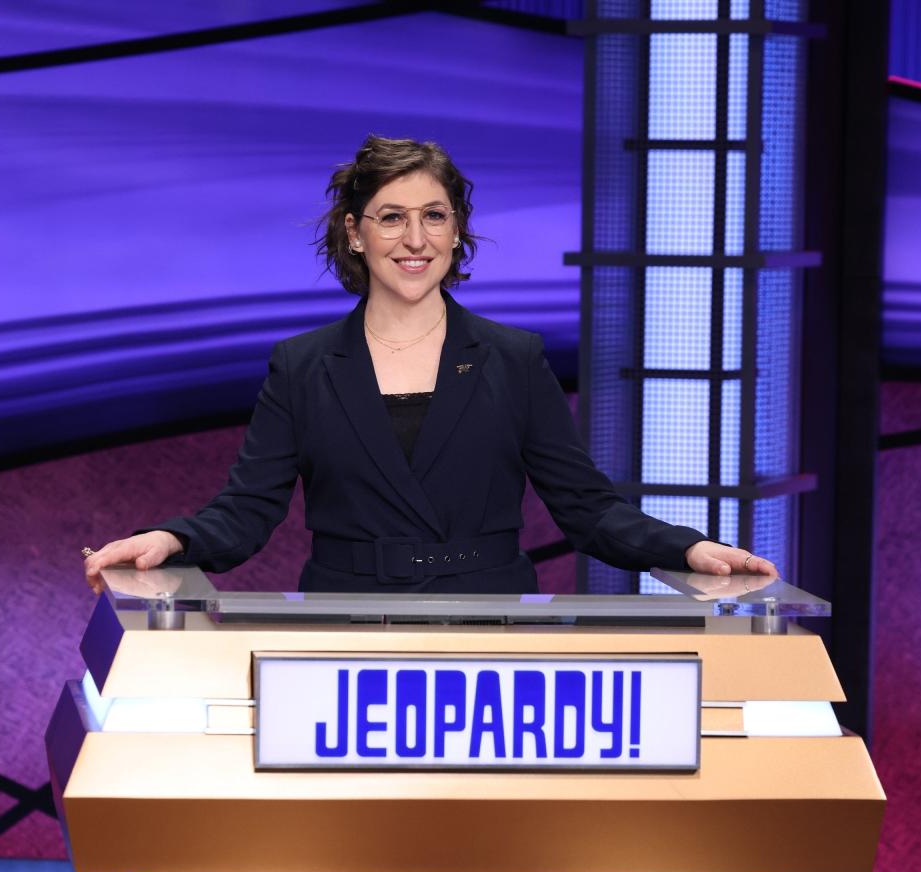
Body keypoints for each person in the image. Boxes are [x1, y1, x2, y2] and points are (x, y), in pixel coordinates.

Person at [84, 135, 777, 594]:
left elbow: (588, 511)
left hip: (490, 624)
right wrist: (171, 537)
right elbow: (246, 511)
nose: (415, 240)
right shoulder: (302, 366)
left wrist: (686, 550)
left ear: (456, 230)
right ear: (355, 234)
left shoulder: (513, 358)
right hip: (344, 624)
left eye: (435, 216)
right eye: (390, 218)